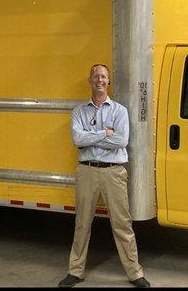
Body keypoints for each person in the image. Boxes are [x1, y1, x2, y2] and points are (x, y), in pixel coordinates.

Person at [58, 64, 151, 288]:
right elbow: (77, 140)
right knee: (82, 223)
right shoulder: (79, 111)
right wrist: (103, 133)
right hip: (87, 171)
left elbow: (121, 141)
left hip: (114, 172)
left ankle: (134, 273)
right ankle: (75, 270)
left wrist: (91, 137)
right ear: (90, 81)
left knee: (122, 224)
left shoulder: (119, 110)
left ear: (108, 82)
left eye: (103, 77)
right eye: (95, 76)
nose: (99, 80)